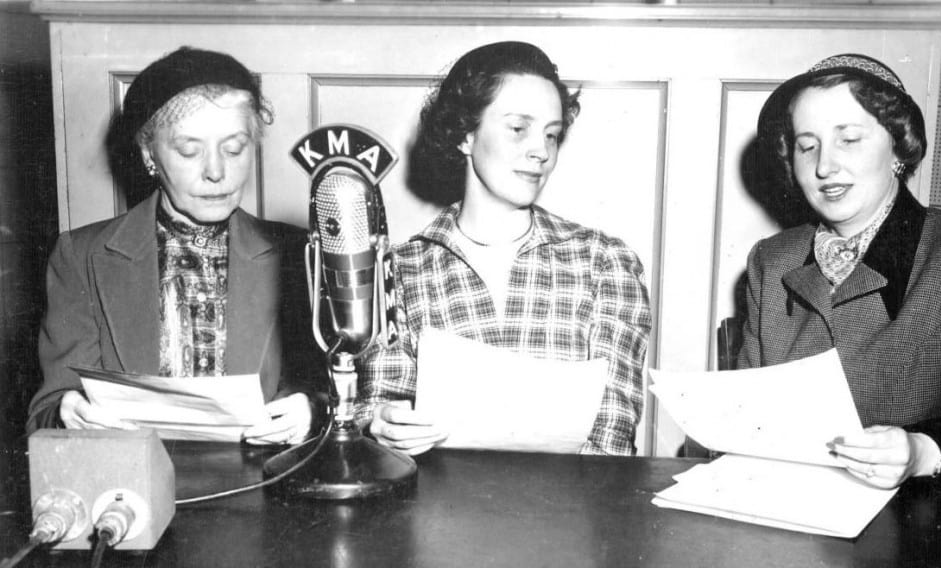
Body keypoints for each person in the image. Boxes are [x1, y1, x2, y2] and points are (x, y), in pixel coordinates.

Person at [355, 41, 652, 456]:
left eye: (552, 134)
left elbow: (611, 441)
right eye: (519, 128)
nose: (541, 151)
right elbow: (380, 399)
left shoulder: (605, 262)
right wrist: (383, 421)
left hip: (568, 512)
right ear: (465, 135)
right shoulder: (399, 269)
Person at [744, 53, 941, 494]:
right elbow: (749, 417)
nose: (824, 167)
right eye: (807, 145)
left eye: (849, 139)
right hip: (791, 512)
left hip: (923, 524)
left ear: (897, 145)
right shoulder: (771, 260)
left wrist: (921, 451)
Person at [26, 47, 323, 445]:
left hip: (260, 487)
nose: (217, 172)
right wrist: (67, 412)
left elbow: (332, 391)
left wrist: (312, 412)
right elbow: (45, 411)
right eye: (189, 150)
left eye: (235, 148)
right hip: (132, 484)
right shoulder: (81, 256)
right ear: (149, 154)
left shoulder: (297, 252)